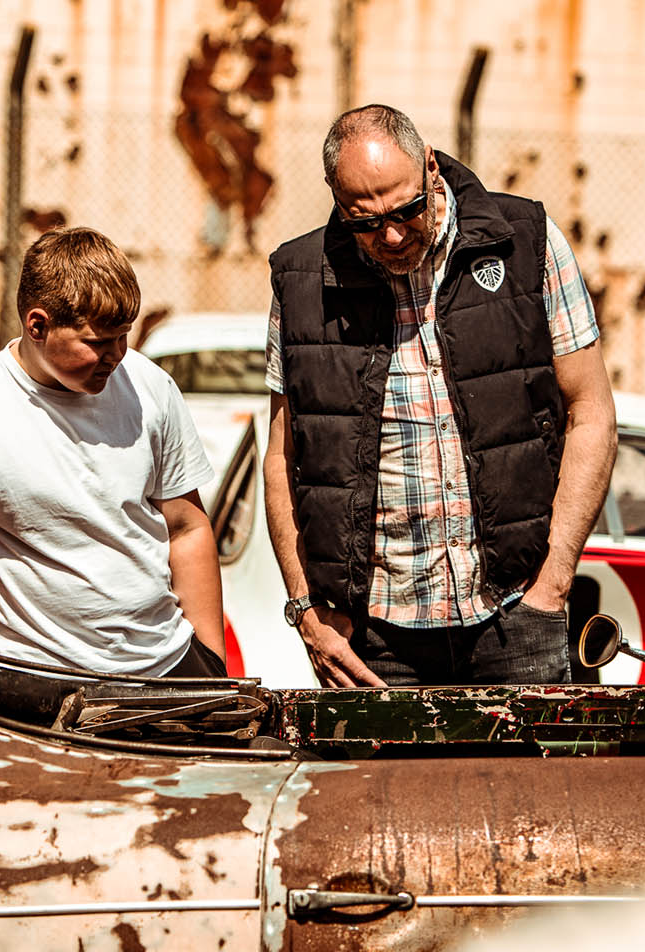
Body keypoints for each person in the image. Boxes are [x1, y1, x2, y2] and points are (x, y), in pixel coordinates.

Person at [264, 104, 617, 688]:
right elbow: (283, 457)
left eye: (406, 210)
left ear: (430, 167)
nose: (393, 234)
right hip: (371, 638)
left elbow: (592, 412)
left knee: (527, 784)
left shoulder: (524, 242)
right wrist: (307, 610)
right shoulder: (301, 277)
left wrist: (552, 584)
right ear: (333, 193)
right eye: (366, 222)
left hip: (516, 615)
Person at [0, 227, 226, 677]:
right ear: (38, 325)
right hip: (40, 682)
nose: (116, 355)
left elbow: (187, 528)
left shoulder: (151, 386)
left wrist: (210, 661)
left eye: (124, 336)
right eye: (97, 342)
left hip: (168, 666)